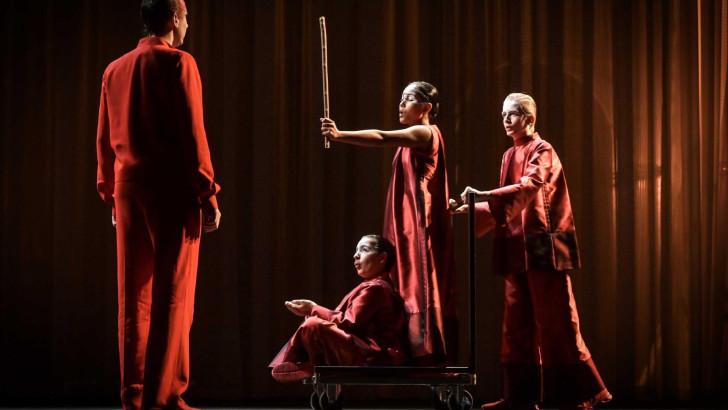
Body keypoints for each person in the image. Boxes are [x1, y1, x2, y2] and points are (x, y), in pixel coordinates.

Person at [95, 1, 221, 409]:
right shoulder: (179, 64)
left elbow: (103, 139)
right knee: (172, 296)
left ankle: (133, 396)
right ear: (171, 19)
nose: (187, 22)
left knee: (133, 299)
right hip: (171, 188)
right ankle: (164, 398)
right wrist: (208, 193)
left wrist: (110, 193)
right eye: (185, 16)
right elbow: (192, 133)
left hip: (128, 188)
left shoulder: (114, 69)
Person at [453, 93, 611, 410]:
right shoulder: (509, 154)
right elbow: (506, 208)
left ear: (529, 118)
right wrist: (467, 208)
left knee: (557, 321)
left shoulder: (543, 149)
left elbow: (531, 184)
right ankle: (518, 398)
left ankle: (576, 395)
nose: (505, 120)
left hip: (543, 245)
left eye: (512, 114)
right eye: (503, 114)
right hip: (515, 246)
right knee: (516, 325)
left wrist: (483, 194)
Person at [320, 81, 456, 364]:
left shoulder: (423, 131)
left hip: (416, 221)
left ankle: (425, 350)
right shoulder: (416, 135)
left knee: (417, 280)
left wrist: (339, 134)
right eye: (401, 98)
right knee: (403, 277)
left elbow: (382, 137)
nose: (401, 104)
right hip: (405, 219)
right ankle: (402, 346)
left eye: (407, 99)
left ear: (426, 108)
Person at [269, 235, 408, 382]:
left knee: (313, 325)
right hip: (363, 349)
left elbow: (349, 322)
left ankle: (306, 366)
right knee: (313, 322)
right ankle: (308, 366)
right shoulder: (373, 286)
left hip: (375, 354)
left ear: (382, 258)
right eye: (356, 251)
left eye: (364, 250)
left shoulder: (376, 288)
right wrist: (312, 310)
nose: (356, 255)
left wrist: (313, 308)